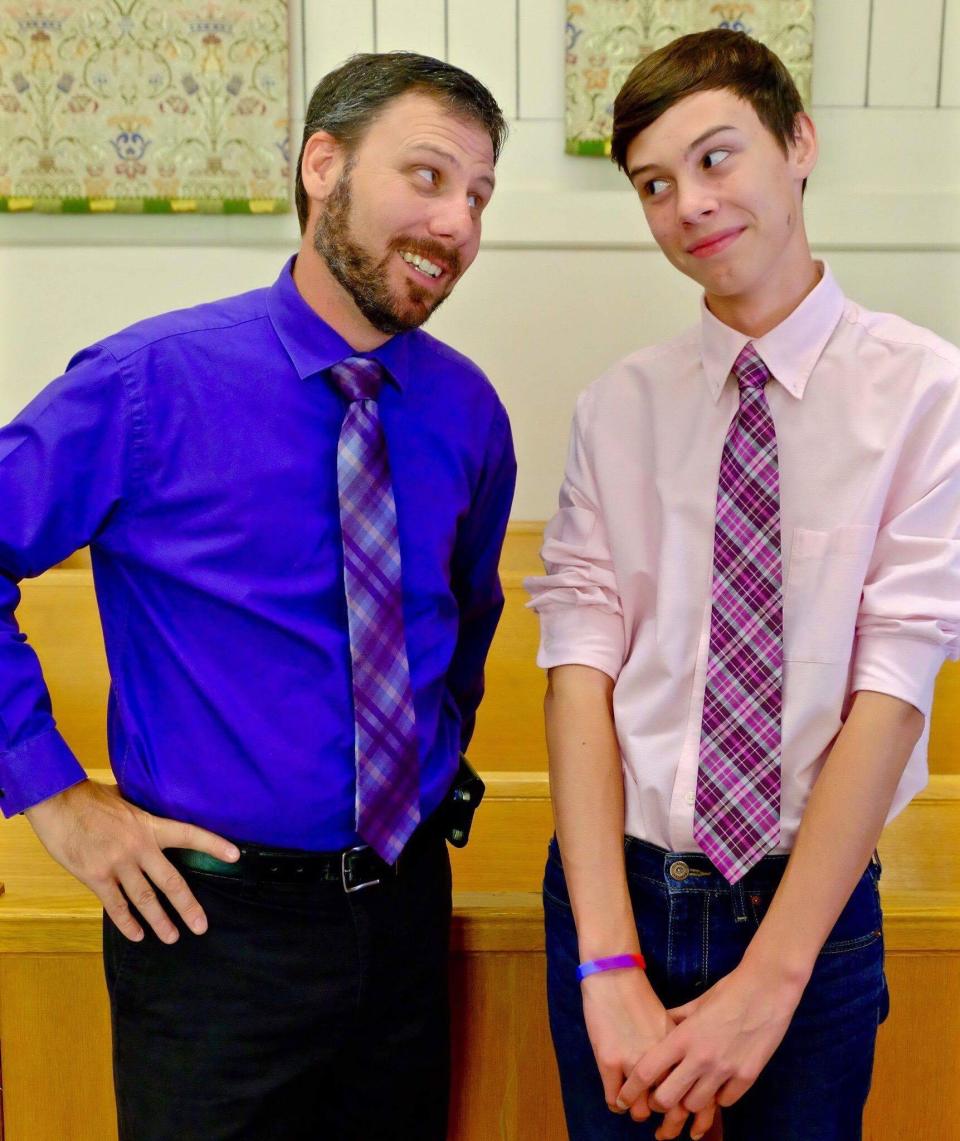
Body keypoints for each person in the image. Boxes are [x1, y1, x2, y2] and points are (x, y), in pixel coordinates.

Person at [0, 52, 514, 1141]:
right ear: (323, 165)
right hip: (207, 930)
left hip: (406, 912)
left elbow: (466, 622)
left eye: (478, 195)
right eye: (426, 176)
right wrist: (50, 792)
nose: (457, 222)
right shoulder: (147, 385)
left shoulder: (467, 412)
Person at [526, 28, 959, 1141]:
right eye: (655, 185)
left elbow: (895, 680)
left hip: (807, 903)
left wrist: (770, 982)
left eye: (717, 158)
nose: (690, 205)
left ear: (798, 142)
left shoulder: (925, 391)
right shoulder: (619, 406)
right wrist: (606, 955)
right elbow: (578, 673)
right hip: (615, 881)